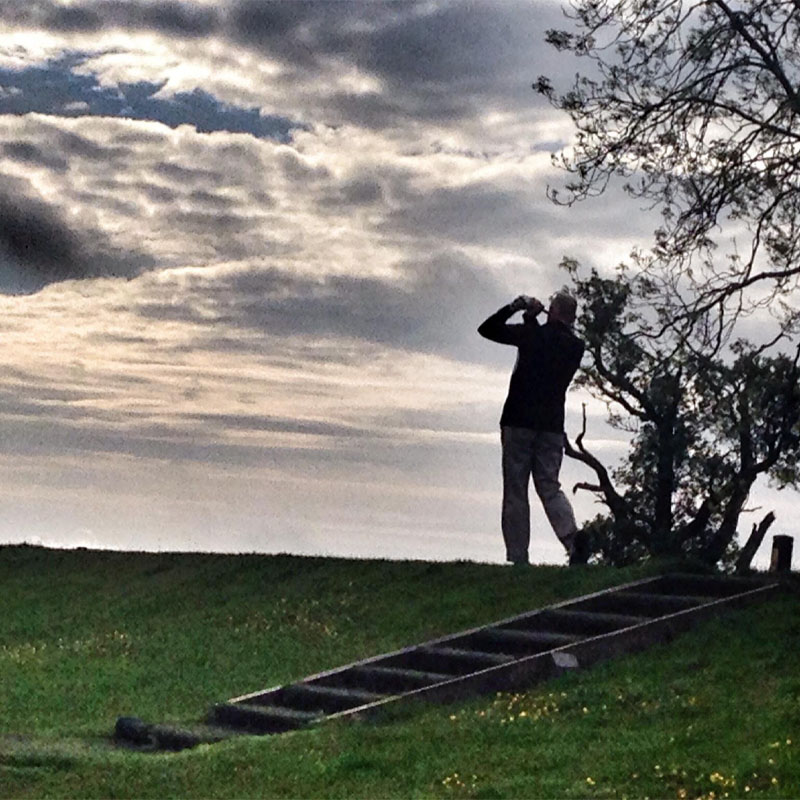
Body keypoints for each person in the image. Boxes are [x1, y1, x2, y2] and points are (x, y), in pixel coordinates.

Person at [478, 291, 588, 566]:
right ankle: (572, 540)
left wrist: (518, 309)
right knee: (549, 486)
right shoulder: (576, 346)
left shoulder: (532, 334)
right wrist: (533, 320)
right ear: (572, 317)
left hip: (518, 420)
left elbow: (487, 329)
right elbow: (549, 343)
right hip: (551, 426)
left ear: (552, 311)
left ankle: (519, 557)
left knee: (516, 489)